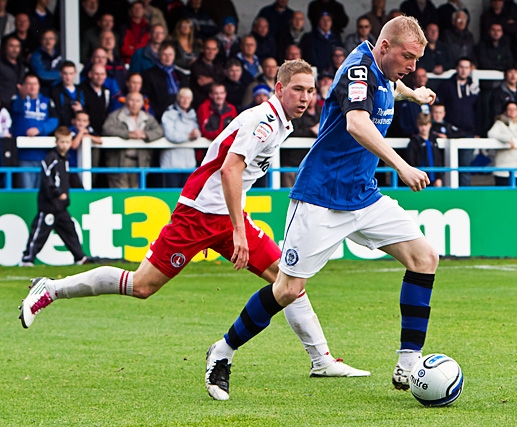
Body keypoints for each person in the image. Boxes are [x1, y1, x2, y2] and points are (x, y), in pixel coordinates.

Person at [19, 59, 369, 386]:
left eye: (310, 91)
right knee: (142, 285)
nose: (306, 97)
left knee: (287, 279)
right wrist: (238, 231)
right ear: (279, 89)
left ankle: (321, 359)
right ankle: (50, 289)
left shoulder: (282, 122)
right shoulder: (262, 122)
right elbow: (230, 169)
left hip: (226, 214)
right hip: (199, 214)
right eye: (298, 89)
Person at [203, 16, 438, 401]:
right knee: (288, 288)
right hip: (320, 198)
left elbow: (389, 87)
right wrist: (403, 165)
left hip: (362, 195)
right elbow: (358, 124)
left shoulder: (380, 72)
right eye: (408, 57)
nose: (412, 67)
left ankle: (409, 361)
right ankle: (222, 350)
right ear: (384, 46)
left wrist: (413, 94)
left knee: (425, 257)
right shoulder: (359, 70)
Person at [18, 126, 88, 267]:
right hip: (49, 204)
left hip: (61, 206)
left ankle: (80, 257)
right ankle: (27, 258)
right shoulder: (50, 159)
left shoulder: (65, 160)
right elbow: (47, 180)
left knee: (70, 230)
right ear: (56, 142)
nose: (65, 145)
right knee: (40, 232)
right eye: (62, 142)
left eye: (67, 142)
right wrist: (57, 193)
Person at [102, 92, 163, 188]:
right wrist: (128, 134)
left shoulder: (147, 118)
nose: (134, 104)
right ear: (126, 101)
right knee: (120, 195)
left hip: (140, 162)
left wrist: (145, 135)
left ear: (142, 103)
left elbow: (159, 131)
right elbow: (107, 129)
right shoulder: (116, 116)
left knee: (136, 195)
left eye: (138, 101)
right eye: (132, 100)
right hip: (119, 162)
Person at [437, 57, 481, 187]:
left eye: (467, 67)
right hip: (449, 133)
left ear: (470, 69)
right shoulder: (446, 86)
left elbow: (479, 111)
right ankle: (447, 196)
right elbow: (439, 109)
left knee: (465, 168)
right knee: (447, 167)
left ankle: (464, 197)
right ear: (456, 68)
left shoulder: (474, 87)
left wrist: (478, 132)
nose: (463, 70)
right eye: (461, 67)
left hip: (468, 133)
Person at [11, 73, 58, 189]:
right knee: (27, 190)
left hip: (43, 155)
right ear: (23, 86)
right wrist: (22, 98)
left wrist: (39, 129)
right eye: (28, 84)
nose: (32, 87)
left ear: (39, 86)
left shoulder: (47, 101)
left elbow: (54, 121)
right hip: (24, 156)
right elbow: (14, 113)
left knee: (42, 191)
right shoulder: (17, 100)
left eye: (35, 84)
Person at [161, 87, 199, 188]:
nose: (185, 100)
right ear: (178, 98)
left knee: (186, 197)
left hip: (189, 164)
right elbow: (170, 134)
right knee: (172, 197)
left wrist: (197, 133)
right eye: (183, 97)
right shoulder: (168, 113)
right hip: (172, 164)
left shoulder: (193, 115)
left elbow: (198, 131)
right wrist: (188, 136)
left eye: (188, 98)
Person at [142, 42, 189, 121]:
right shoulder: (149, 74)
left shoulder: (180, 75)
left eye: (170, 54)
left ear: (174, 56)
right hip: (160, 115)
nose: (168, 57)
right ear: (159, 55)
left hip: (180, 114)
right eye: (164, 54)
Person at [404, 113, 443, 187]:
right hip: (420, 180)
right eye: (421, 125)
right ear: (417, 125)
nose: (424, 128)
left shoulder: (434, 140)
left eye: (426, 125)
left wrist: (439, 177)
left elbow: (439, 159)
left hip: (434, 180)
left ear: (430, 125)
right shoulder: (414, 142)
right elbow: (410, 160)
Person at [190, 38, 225, 109]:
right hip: (201, 103)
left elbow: (223, 80)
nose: (211, 52)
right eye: (208, 49)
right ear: (203, 49)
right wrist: (216, 79)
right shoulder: (196, 65)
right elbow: (202, 84)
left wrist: (211, 79)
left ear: (217, 51)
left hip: (217, 103)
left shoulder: (218, 64)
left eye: (213, 49)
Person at [51, 61, 84, 127]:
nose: (68, 77)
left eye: (71, 74)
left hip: (79, 128)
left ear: (75, 74)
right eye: (65, 74)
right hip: (62, 129)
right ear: (61, 74)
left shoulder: (81, 90)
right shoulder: (55, 91)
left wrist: (81, 110)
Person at [0, 35, 26, 108]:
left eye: (17, 46)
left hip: (18, 105)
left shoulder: (22, 66)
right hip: (3, 105)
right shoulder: (1, 65)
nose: (15, 49)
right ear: (5, 48)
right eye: (11, 46)